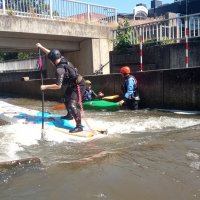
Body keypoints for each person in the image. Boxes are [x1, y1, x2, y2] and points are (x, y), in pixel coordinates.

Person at [36, 43, 86, 133]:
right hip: (72, 84)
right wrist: (41, 46)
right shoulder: (61, 58)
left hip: (78, 85)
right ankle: (69, 115)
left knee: (71, 105)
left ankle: (79, 126)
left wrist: (45, 86)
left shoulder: (60, 69)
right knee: (65, 99)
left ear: (52, 60)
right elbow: (50, 53)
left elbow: (58, 86)